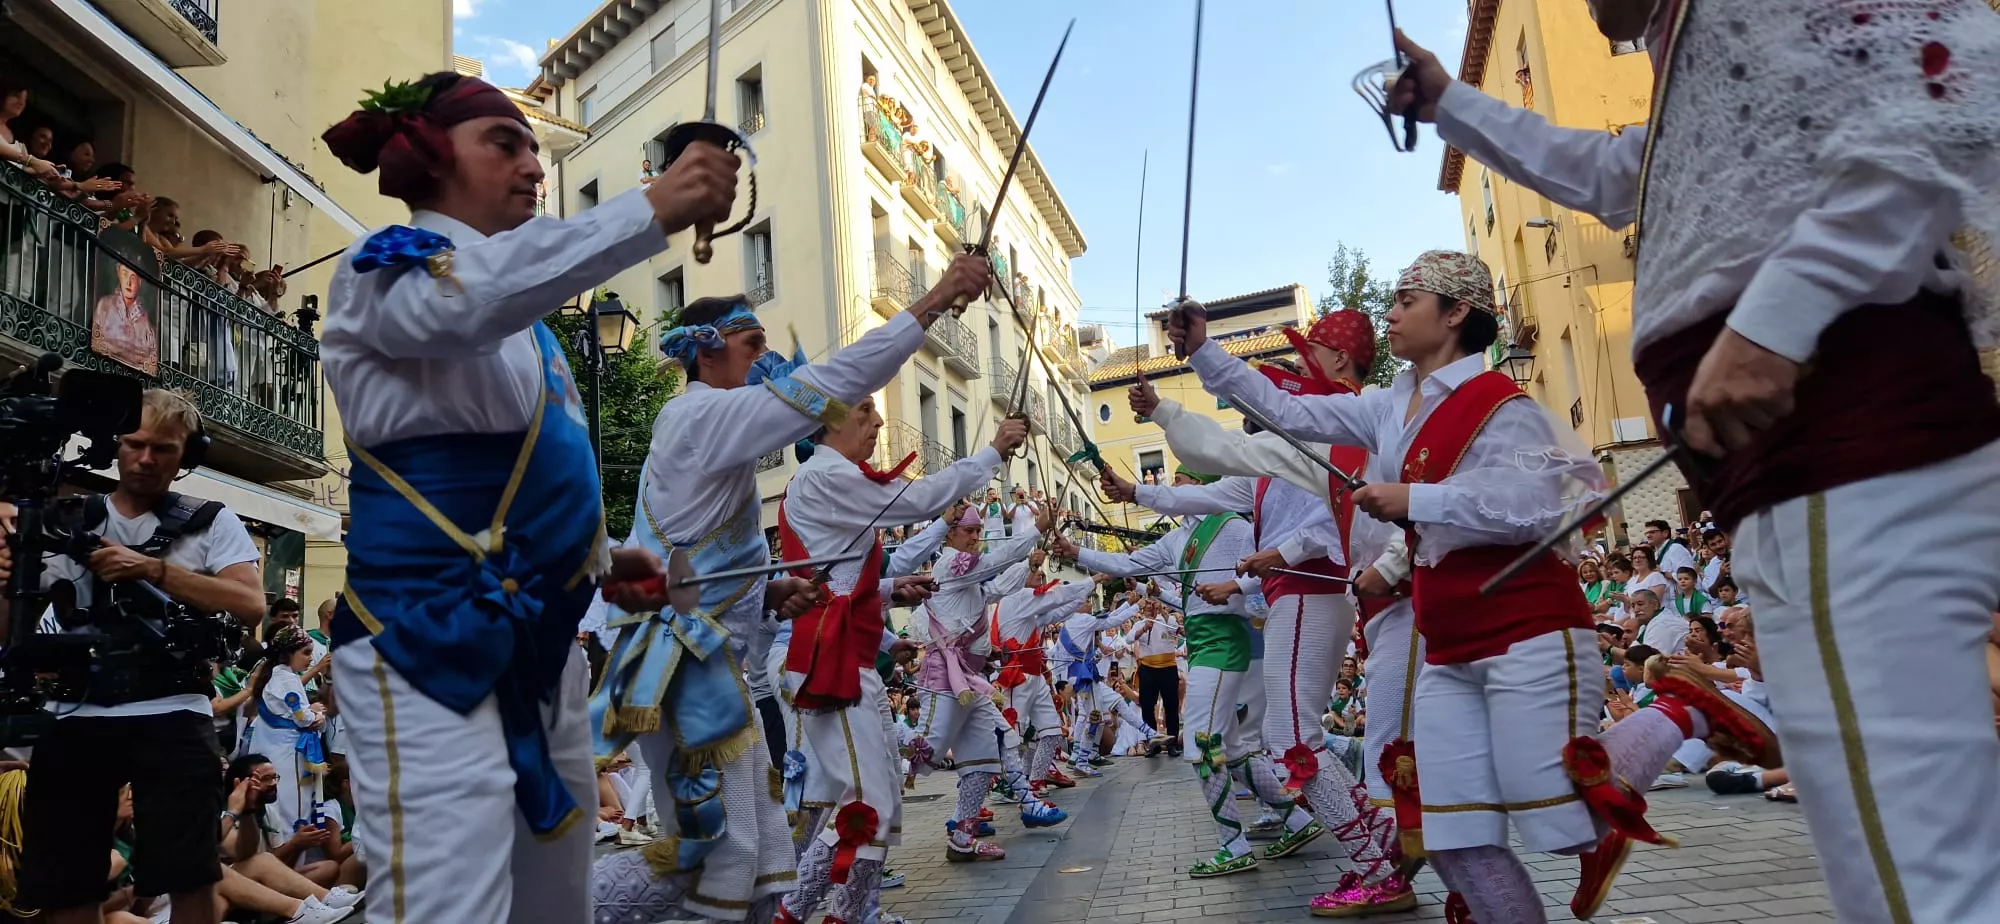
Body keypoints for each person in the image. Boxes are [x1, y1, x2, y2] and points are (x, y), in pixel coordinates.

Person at [1393, 11, 2000, 917]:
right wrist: (1452, 104)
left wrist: (1774, 324)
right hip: (1799, 475)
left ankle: (1680, 720)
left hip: (1846, 448)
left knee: (1911, 873)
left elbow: (1943, 90)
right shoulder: (1691, 49)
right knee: (1890, 845)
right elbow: (1617, 173)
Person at [1168, 250, 1780, 921]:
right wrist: (1203, 352)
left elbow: (1538, 511)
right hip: (1449, 638)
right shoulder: (1389, 405)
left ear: (1456, 312)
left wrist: (1417, 500)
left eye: (1408, 300)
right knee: (1452, 833)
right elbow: (1287, 411)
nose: (1392, 312)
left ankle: (1680, 708)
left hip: (1529, 628)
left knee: (1569, 820)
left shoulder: (1505, 405)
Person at [316, 70, 732, 922]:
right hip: (422, 640)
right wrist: (650, 207)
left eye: (534, 151)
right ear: (432, 158)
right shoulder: (380, 269)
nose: (534, 168)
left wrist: (600, 558)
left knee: (556, 901)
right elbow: (464, 306)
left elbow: (513, 477)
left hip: (538, 651)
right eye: (505, 145)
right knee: (448, 904)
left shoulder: (531, 329)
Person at [586, 254, 994, 920]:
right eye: (753, 347)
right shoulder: (702, 418)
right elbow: (830, 382)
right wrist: (938, 296)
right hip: (683, 666)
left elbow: (695, 559)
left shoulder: (709, 430)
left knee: (764, 848)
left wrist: (769, 596)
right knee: (713, 849)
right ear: (710, 352)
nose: (763, 362)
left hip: (704, 662)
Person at [0, 389, 266, 924]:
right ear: (116, 447)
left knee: (191, 874)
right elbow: (10, 633)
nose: (146, 459)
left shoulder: (212, 521)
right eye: (135, 444)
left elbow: (249, 603)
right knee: (69, 883)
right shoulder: (63, 519)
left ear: (187, 454)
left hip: (174, 710)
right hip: (76, 714)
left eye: (163, 449)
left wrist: (154, 570)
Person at [769, 403, 1026, 924]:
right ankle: (796, 912)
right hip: (831, 663)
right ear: (831, 420)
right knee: (866, 808)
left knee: (874, 806)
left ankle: (838, 912)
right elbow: (917, 500)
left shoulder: (829, 477)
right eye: (865, 410)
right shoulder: (826, 474)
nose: (880, 422)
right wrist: (993, 453)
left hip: (851, 661)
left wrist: (889, 591)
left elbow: (841, 578)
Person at [1052, 476, 1263, 879]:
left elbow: (1262, 577)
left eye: (1183, 483)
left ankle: (1234, 845)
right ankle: (1291, 816)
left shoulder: (1233, 525)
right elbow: (1127, 564)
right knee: (1230, 748)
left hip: (1225, 640)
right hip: (1203, 643)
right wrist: (1076, 551)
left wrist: (1236, 587)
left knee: (1201, 743)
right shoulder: (1178, 539)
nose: (1173, 489)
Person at [909, 500, 1056, 862]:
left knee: (984, 757)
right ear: (951, 534)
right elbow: (993, 565)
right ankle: (868, 775)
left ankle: (963, 836)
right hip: (942, 678)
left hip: (968, 680)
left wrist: (1027, 563)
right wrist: (1034, 530)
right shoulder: (953, 564)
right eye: (969, 532)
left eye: (977, 531)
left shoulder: (970, 579)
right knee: (924, 751)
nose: (975, 538)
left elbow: (996, 587)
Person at [987, 551, 1098, 794]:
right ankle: (1009, 784)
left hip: (1034, 676)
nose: (1039, 573)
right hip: (1017, 678)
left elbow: (1056, 611)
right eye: (1034, 570)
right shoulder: (1017, 597)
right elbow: (1055, 597)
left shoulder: (1025, 604)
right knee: (1013, 735)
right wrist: (1096, 580)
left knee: (1051, 731)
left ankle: (1035, 781)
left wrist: (1084, 594)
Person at [92, 261, 159, 374]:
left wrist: (116, 347)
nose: (129, 282)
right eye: (125, 274)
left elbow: (151, 363)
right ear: (118, 274)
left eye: (134, 277)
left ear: (140, 281)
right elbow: (98, 342)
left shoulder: (146, 322)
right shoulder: (105, 306)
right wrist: (134, 353)